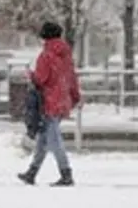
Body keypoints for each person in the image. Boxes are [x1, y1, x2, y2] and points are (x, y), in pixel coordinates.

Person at [17, 21, 81, 187]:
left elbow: (40, 79)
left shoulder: (46, 55)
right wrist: (75, 96)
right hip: (62, 100)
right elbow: (72, 78)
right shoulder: (66, 55)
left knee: (53, 140)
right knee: (43, 139)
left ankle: (66, 173)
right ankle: (32, 172)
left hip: (49, 101)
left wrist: (29, 75)